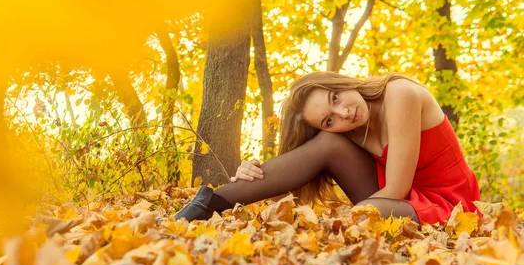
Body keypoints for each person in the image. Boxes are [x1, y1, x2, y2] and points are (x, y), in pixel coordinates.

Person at [175, 71, 481, 225]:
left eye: (336, 98)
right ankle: (209, 203)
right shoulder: (343, 133)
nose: (344, 114)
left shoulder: (400, 94)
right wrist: (249, 172)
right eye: (329, 120)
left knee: (363, 214)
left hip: (450, 203)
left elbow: (397, 188)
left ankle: (208, 204)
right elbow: (299, 166)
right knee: (330, 146)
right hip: (396, 197)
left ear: (340, 83)